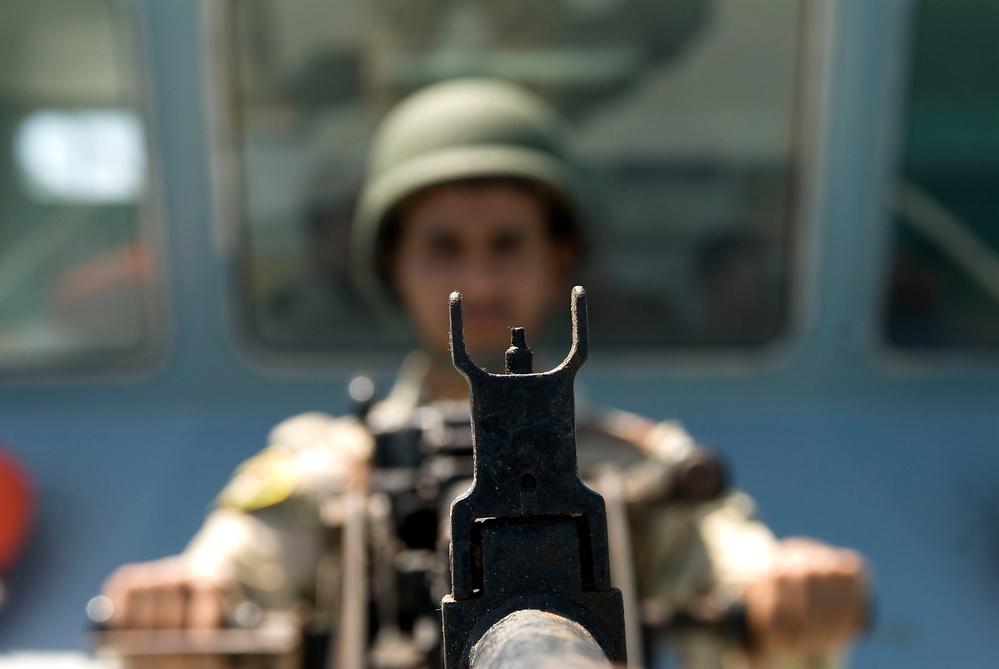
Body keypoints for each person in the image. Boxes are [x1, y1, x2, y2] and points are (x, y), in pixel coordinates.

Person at [100, 79, 868, 669]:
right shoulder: (323, 467)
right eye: (443, 246)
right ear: (392, 266)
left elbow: (733, 564)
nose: (480, 277)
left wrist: (788, 592)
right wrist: (183, 605)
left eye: (507, 243)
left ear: (557, 256)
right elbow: (236, 570)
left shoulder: (640, 464)